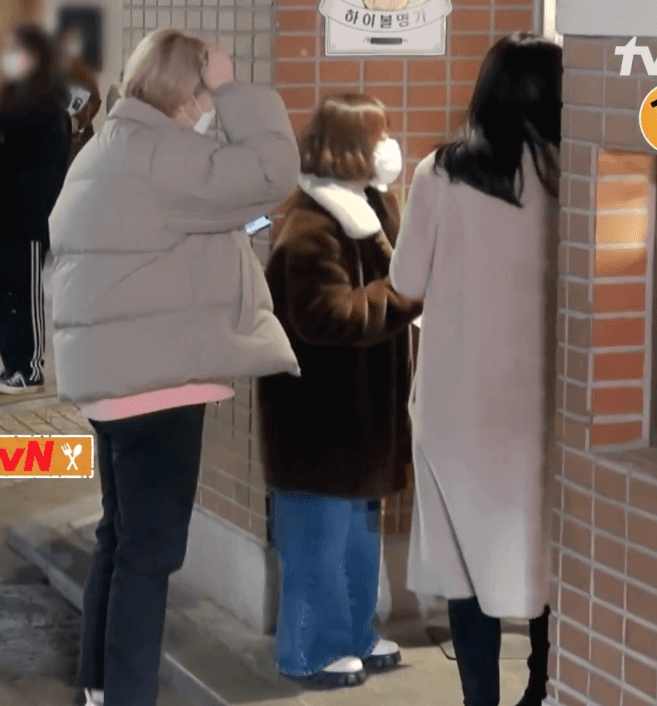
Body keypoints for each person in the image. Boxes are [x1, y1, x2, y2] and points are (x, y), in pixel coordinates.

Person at [50, 29, 300, 706]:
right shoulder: (166, 155)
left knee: (120, 538)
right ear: (189, 92)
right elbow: (275, 172)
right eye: (207, 92)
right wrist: (235, 89)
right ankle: (127, 696)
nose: (210, 108)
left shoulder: (108, 145)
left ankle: (100, 685)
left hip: (111, 380)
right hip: (155, 384)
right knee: (150, 555)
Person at [389, 32, 560, 706]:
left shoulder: (441, 173)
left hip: (454, 406)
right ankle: (543, 687)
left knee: (465, 568)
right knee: (545, 556)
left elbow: (406, 280)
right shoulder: (575, 175)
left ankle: (479, 699)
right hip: (542, 406)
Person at [258, 92, 421, 689]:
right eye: (380, 136)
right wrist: (405, 295)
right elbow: (330, 317)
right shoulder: (310, 230)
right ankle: (306, 650)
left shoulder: (369, 210)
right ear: (351, 149)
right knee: (316, 544)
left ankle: (354, 634)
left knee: (356, 540)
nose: (389, 148)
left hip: (360, 421)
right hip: (318, 422)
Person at [0, 25, 70, 395]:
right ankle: (13, 363)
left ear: (35, 57)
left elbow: (52, 171)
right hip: (1, 218)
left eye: (15, 49)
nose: (7, 56)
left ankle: (30, 368)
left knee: (24, 295)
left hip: (29, 221)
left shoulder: (50, 105)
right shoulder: (9, 98)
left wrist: (36, 211)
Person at [56, 26, 100, 161]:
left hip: (80, 141)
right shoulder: (50, 70)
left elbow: (95, 100)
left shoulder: (84, 71)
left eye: (73, 42)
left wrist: (78, 119)